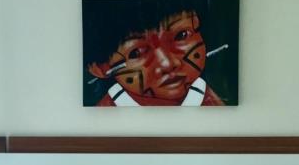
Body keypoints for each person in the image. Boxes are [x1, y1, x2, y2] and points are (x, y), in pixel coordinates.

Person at [87, 9, 225, 106]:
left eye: (181, 35)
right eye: (136, 53)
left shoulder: (211, 101)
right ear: (101, 68)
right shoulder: (103, 118)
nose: (167, 64)